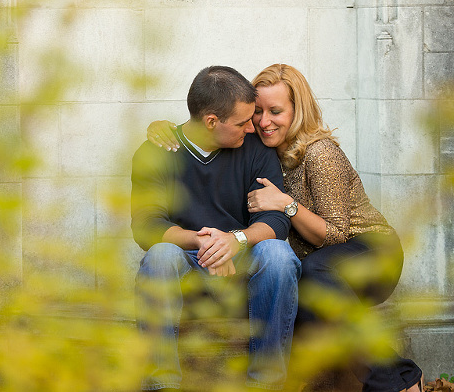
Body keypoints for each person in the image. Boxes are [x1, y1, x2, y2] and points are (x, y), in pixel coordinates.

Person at [146, 63, 423, 392]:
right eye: (256, 112)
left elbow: (334, 234)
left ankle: (398, 379)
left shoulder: (320, 153)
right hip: (322, 264)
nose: (262, 122)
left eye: (275, 111)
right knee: (301, 293)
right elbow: (201, 130)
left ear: (297, 110)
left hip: (369, 252)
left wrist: (285, 205)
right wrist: (167, 129)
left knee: (312, 271)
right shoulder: (259, 147)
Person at [132, 65, 301, 391]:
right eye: (242, 122)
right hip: (187, 268)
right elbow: (146, 225)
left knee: (278, 254)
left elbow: (277, 220)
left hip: (243, 270)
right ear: (212, 121)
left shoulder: (255, 150)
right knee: (160, 256)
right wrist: (206, 241)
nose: (253, 129)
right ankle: (161, 385)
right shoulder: (155, 153)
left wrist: (235, 240)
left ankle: (266, 385)